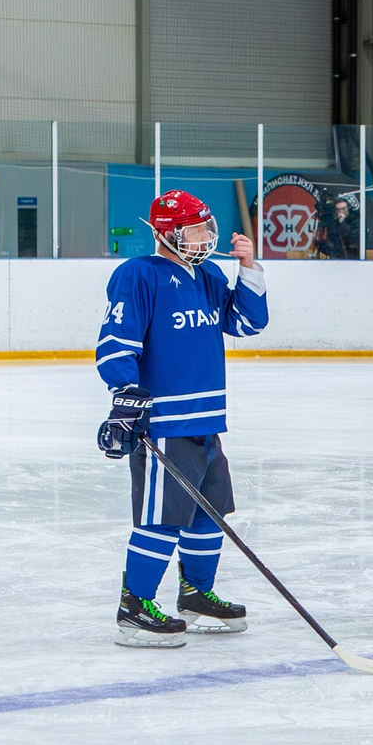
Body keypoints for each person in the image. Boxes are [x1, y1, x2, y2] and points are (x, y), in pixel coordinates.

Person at [95, 190, 268, 646]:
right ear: (166, 233)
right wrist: (126, 395)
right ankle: (134, 607)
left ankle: (196, 594)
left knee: (210, 514)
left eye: (204, 227)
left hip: (207, 423)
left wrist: (248, 268)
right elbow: (116, 341)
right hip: (165, 425)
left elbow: (248, 324)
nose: (203, 237)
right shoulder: (137, 275)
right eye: (193, 229)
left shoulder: (208, 275)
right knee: (161, 519)